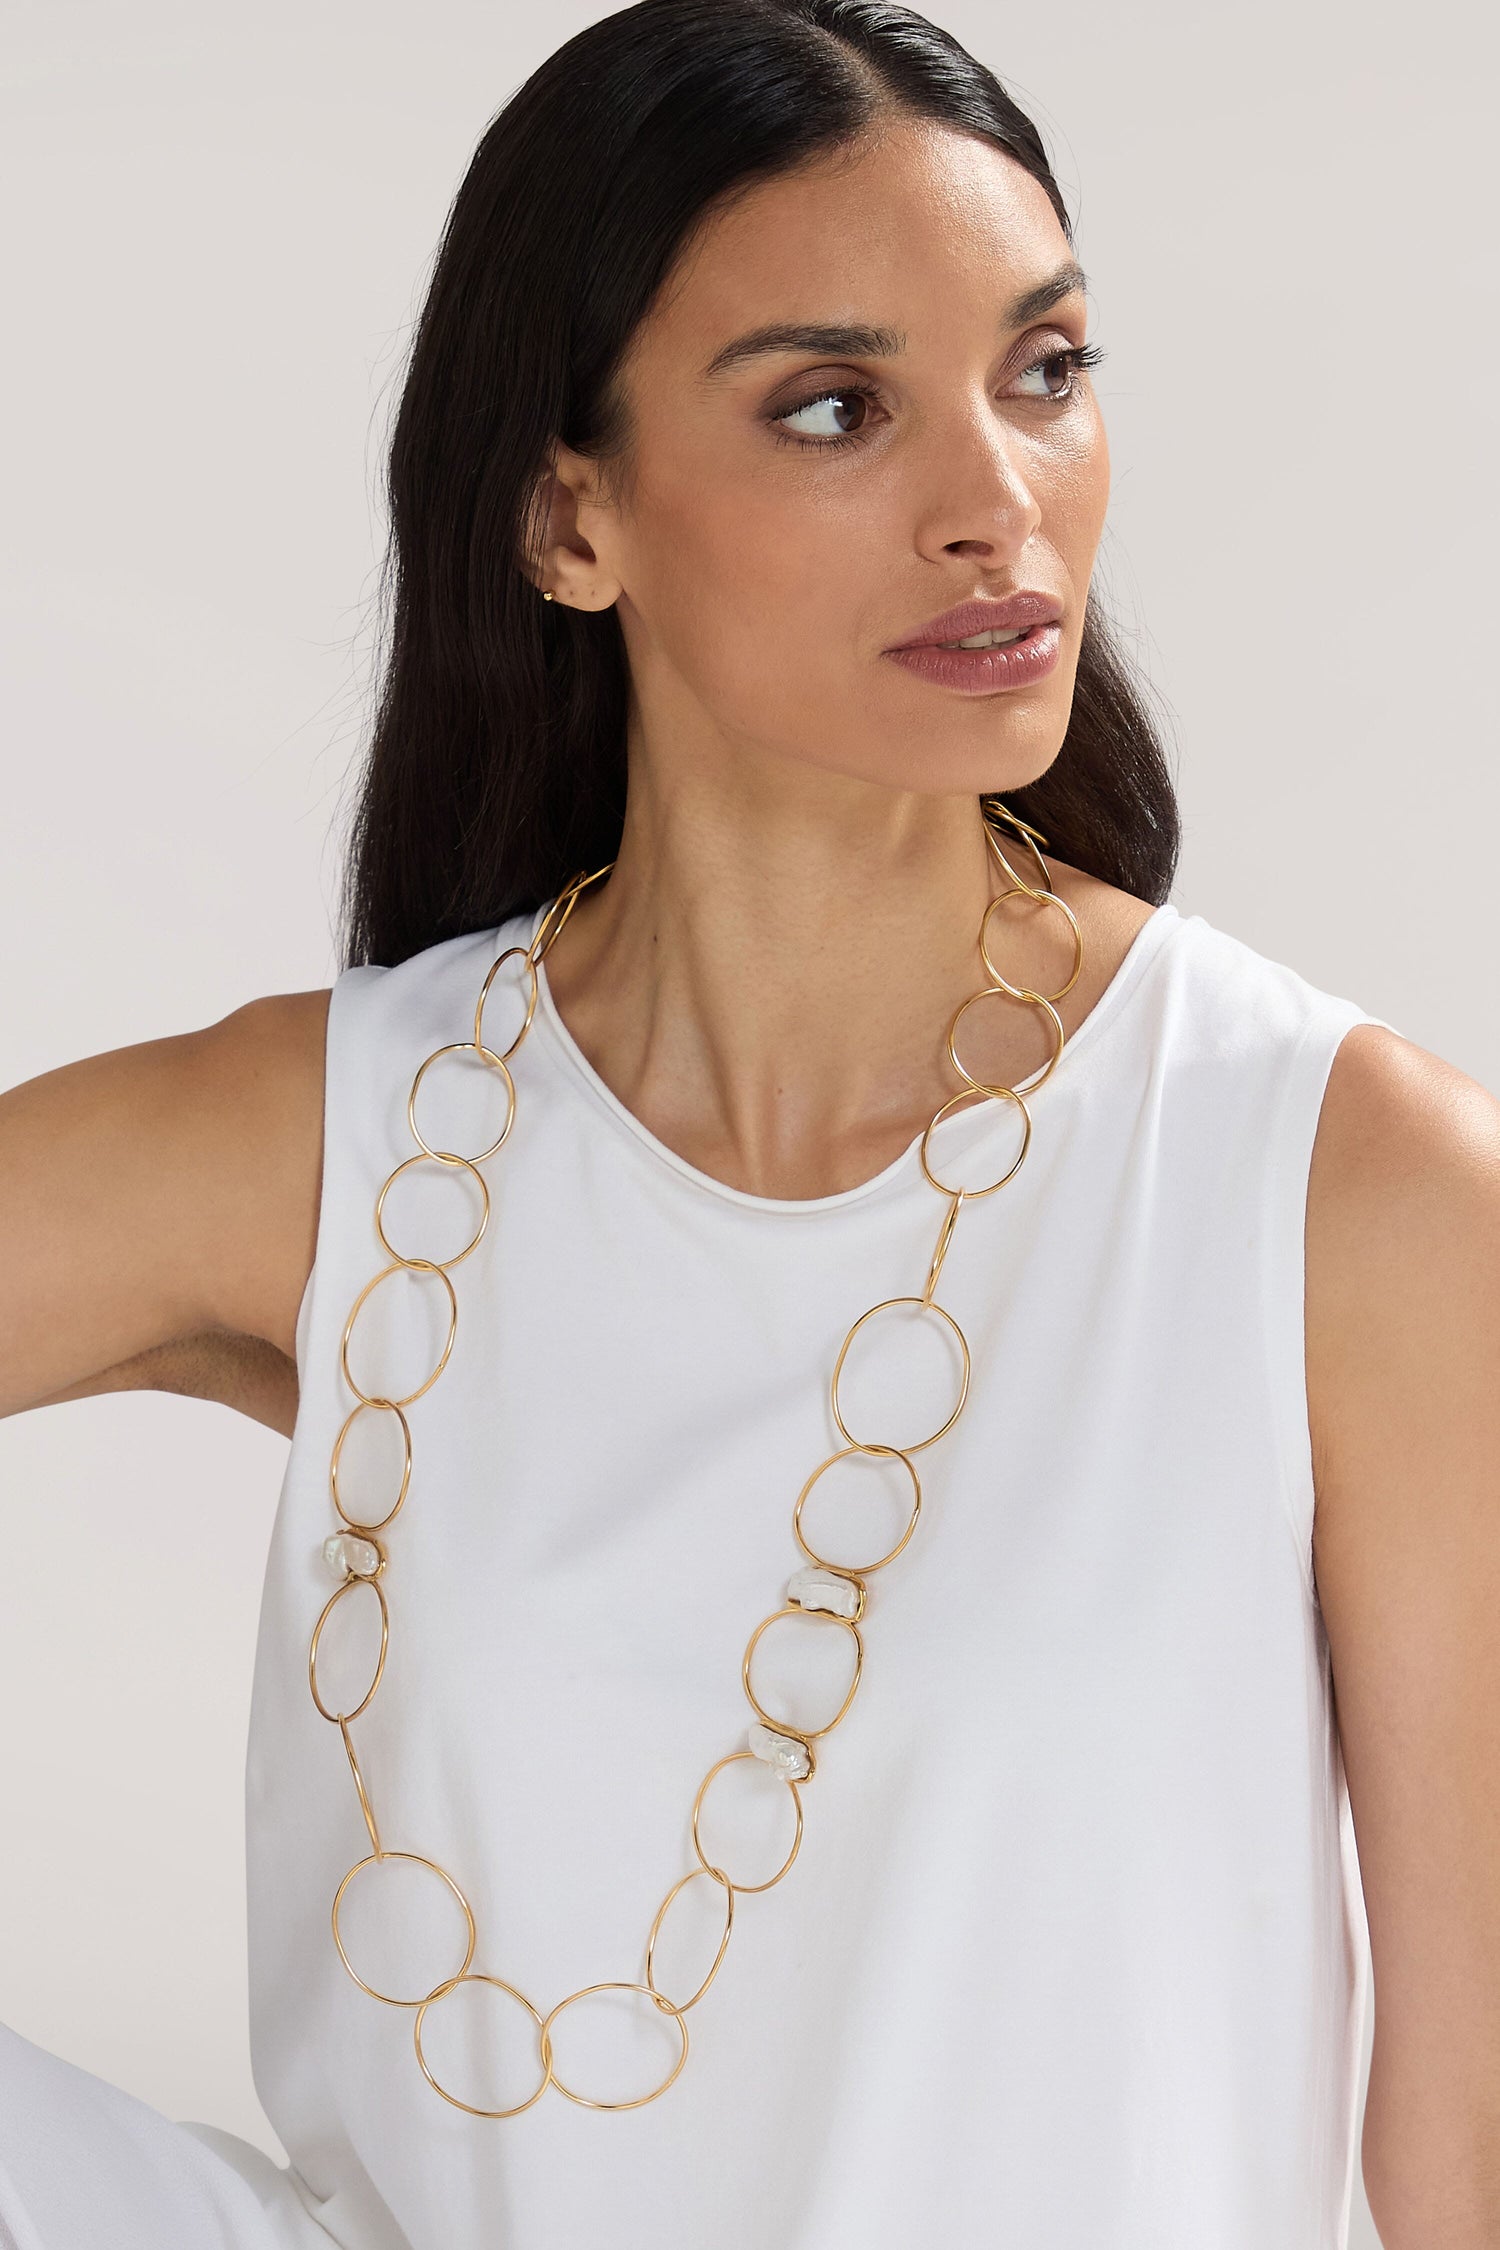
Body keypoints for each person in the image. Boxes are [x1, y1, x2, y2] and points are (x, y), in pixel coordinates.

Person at [2, 1, 1496, 2245]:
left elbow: (1470, 2168)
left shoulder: (1347, 1190)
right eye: (833, 407)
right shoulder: (337, 1145)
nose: (998, 499)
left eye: (1050, 369)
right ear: (567, 516)